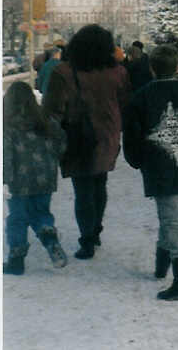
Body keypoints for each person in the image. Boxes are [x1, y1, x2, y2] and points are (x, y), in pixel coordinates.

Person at [123, 44, 178, 300]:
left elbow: (131, 136)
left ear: (152, 67)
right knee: (172, 213)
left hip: (158, 164)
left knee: (172, 217)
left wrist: (138, 161)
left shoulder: (140, 97)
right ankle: (162, 263)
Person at [43, 24, 131, 260]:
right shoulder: (119, 72)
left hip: (77, 138)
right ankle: (96, 230)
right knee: (100, 184)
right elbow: (125, 104)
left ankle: (87, 240)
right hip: (108, 137)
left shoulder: (63, 72)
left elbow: (52, 110)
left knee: (82, 190)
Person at [3, 81, 69, 275]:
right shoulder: (45, 120)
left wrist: (4, 179)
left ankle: (16, 261)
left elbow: (5, 154)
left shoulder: (7, 124)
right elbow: (61, 142)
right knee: (41, 212)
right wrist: (52, 160)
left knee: (17, 218)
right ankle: (51, 242)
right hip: (44, 177)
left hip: (18, 180)